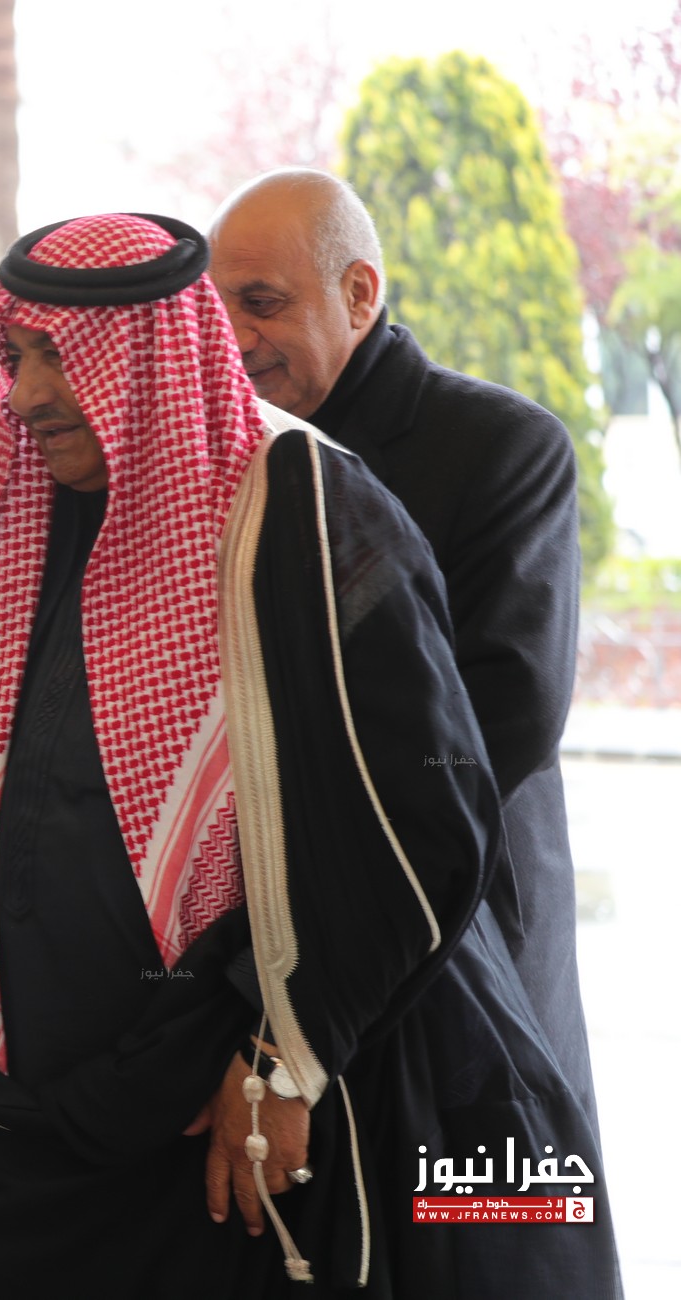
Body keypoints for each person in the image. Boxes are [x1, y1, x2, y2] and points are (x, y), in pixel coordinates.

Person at [0, 214, 619, 1297]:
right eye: (17, 357)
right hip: (36, 1129)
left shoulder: (302, 509)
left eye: (58, 357)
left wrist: (283, 1058)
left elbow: (423, 818)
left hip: (226, 1120)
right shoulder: (28, 528)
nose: (27, 396)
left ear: (146, 359)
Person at [207, 169, 598, 1122]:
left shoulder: (501, 446)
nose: (234, 338)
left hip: (454, 937)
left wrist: (321, 930)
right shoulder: (225, 455)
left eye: (263, 303)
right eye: (217, 311)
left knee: (477, 1198)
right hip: (259, 941)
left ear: (359, 294)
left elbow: (501, 724)